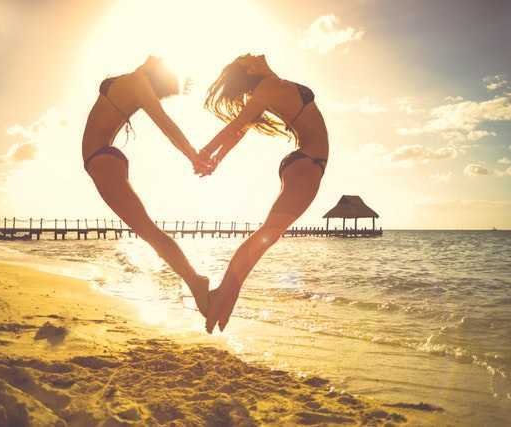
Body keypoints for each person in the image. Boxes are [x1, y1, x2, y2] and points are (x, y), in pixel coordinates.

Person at [198, 54, 329, 333]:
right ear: (249, 68)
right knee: (268, 234)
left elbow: (239, 132)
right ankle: (223, 295)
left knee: (268, 234)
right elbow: (236, 126)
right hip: (307, 163)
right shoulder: (266, 89)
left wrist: (217, 158)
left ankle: (224, 297)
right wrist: (207, 152)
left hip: (305, 163)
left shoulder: (271, 85)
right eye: (244, 57)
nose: (250, 54)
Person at [82, 56, 211, 316]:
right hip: (102, 159)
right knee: (146, 230)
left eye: (157, 61)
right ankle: (190, 280)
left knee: (148, 231)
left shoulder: (138, 83)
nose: (153, 57)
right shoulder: (135, 80)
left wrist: (193, 155)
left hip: (102, 160)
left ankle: (195, 281)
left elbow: (165, 124)